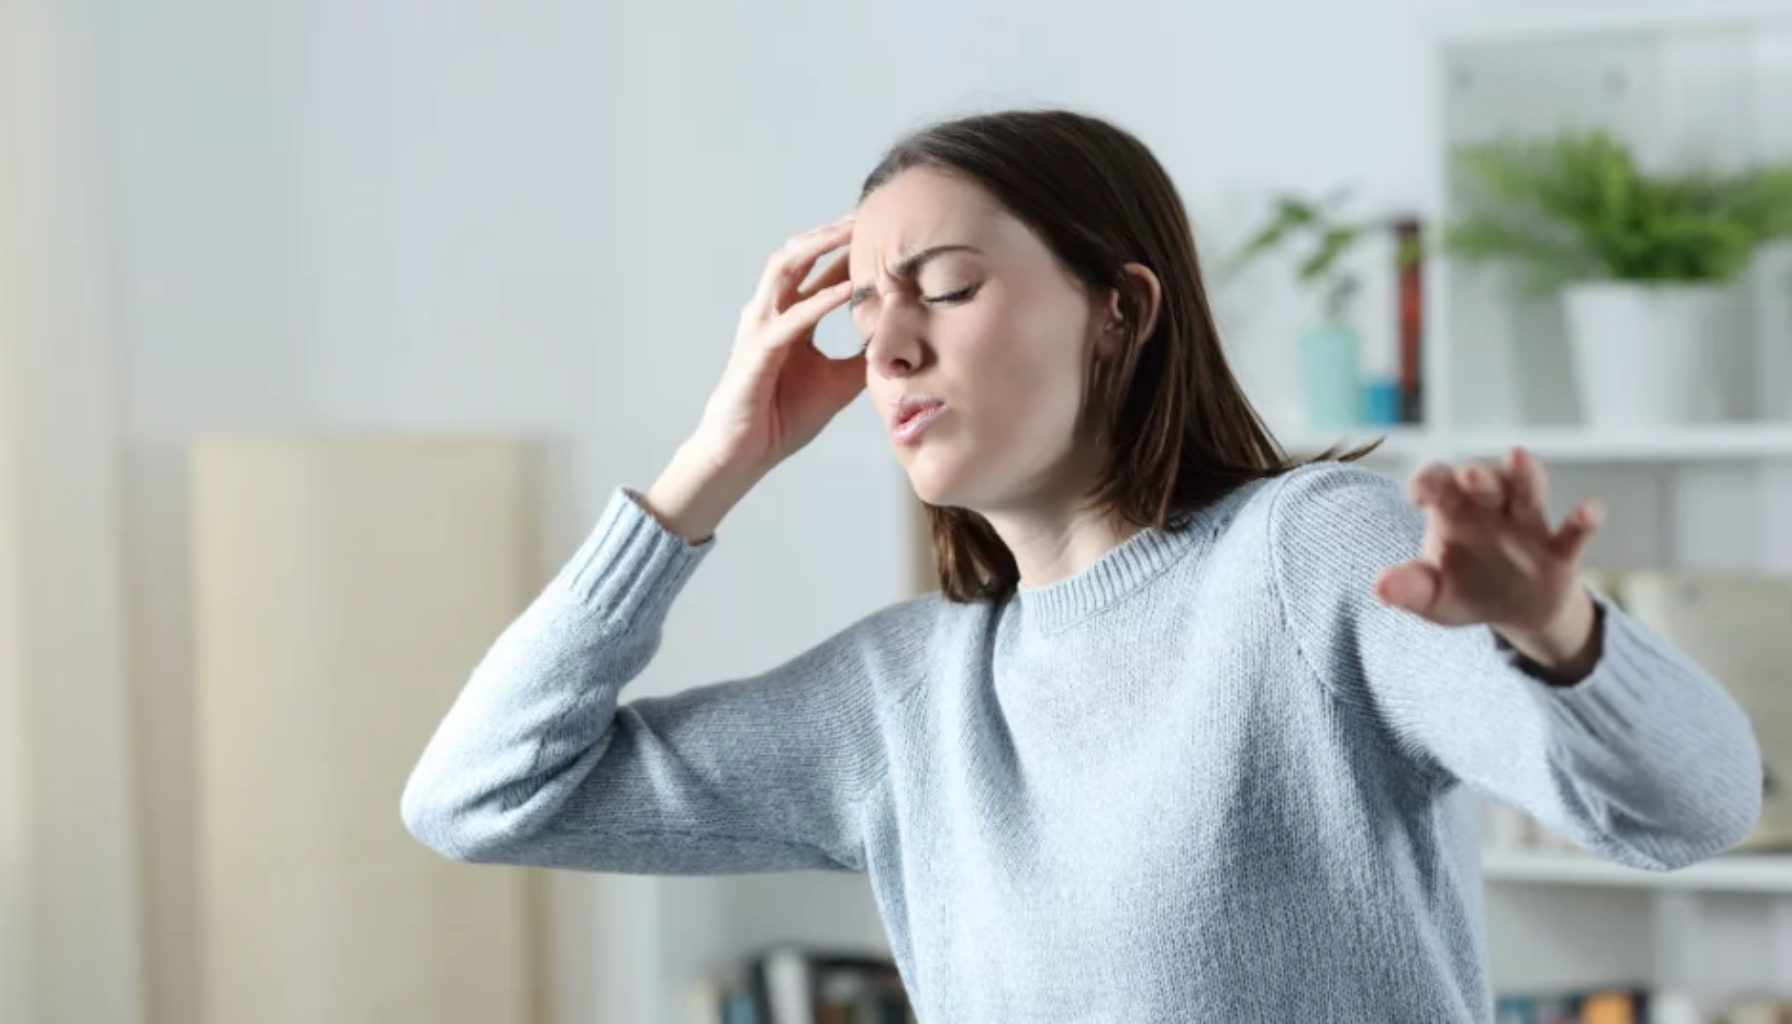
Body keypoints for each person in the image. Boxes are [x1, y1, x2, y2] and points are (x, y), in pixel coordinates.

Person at [400, 108, 1762, 1022]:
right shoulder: (902, 696)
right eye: (863, 310)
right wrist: (712, 463)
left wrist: (1557, 634)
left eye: (943, 285)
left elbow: (1690, 809)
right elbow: (478, 798)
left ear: (1120, 308)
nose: (887, 347)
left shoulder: (1306, 556)